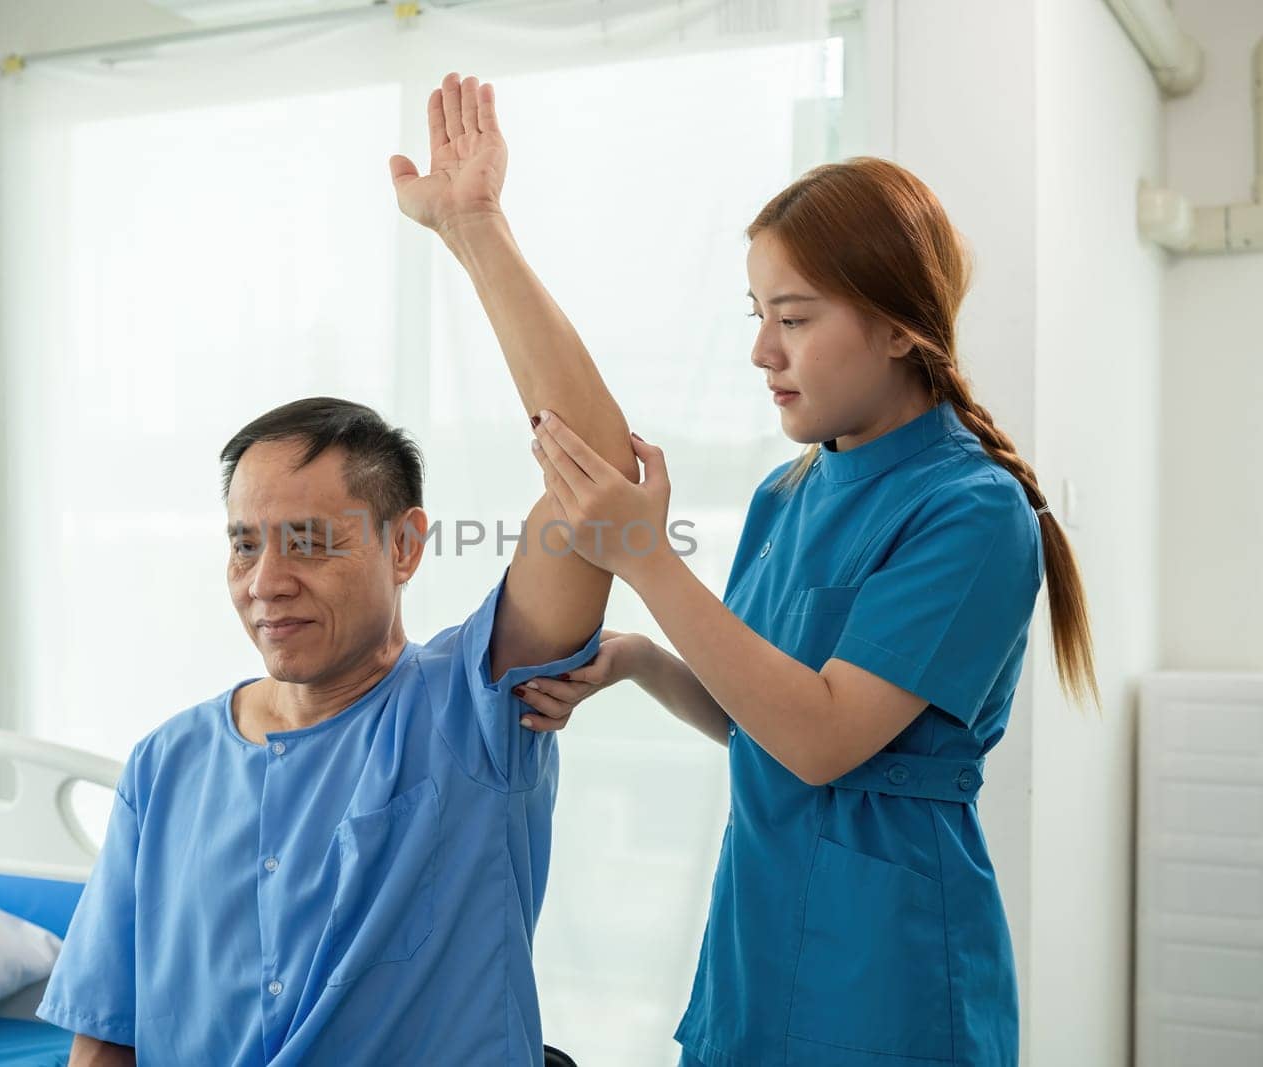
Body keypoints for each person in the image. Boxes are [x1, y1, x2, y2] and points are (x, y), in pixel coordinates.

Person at [398, 74, 1100, 1067]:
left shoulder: (971, 512)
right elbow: (756, 713)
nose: (763, 351)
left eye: (796, 317)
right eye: (755, 314)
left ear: (901, 327)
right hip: (753, 961)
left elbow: (820, 739)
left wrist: (646, 558)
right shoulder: (788, 491)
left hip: (886, 982)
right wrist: (640, 658)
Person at [35, 73, 644, 1066]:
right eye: (244, 542)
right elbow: (107, 1040)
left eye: (310, 541)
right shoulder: (166, 764)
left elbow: (602, 478)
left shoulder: (473, 708)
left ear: (403, 545)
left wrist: (474, 227)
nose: (266, 578)